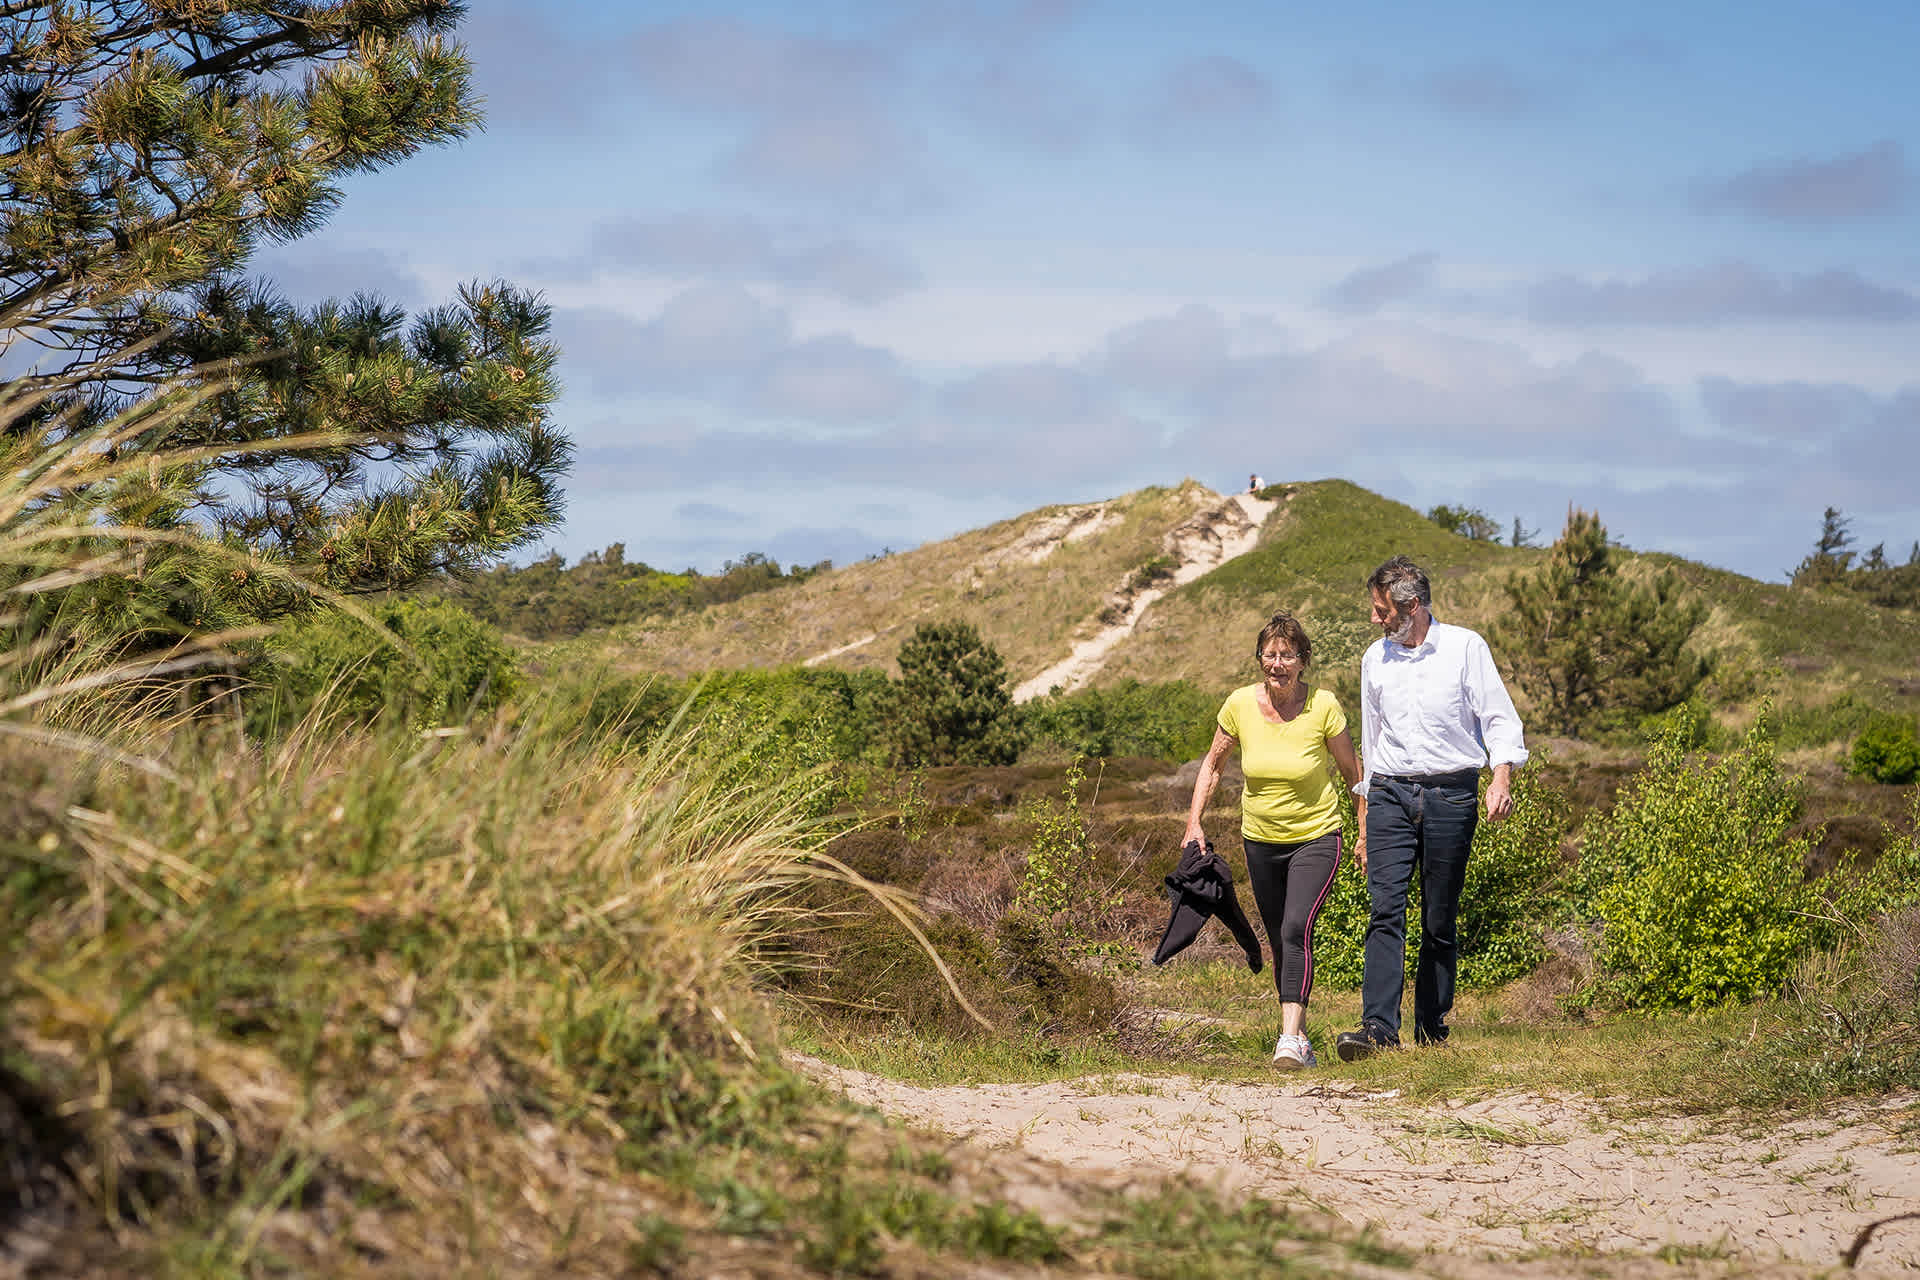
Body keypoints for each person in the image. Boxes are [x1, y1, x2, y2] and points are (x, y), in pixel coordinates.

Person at [1336, 556, 1528, 1062]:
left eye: (1382, 611)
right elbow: (1372, 742)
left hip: (1452, 796)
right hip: (1390, 796)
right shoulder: (1374, 659)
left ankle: (1431, 1029)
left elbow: (1499, 718)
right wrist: (1364, 819)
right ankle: (1377, 1028)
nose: (1375, 620)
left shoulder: (1466, 647)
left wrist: (1500, 776)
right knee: (1384, 911)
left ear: (1411, 606)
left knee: (1439, 918)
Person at [1185, 611, 1361, 1070]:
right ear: (1259, 658)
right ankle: (1301, 1037)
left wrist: (1364, 829)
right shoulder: (1239, 704)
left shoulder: (1324, 705)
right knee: (1282, 941)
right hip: (1260, 839)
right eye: (1269, 655)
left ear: (1302, 660)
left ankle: (1286, 1041)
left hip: (1317, 835)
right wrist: (1194, 824)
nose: (1276, 664)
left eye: (1286, 655)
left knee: (1295, 927)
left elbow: (1352, 773)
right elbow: (1213, 764)